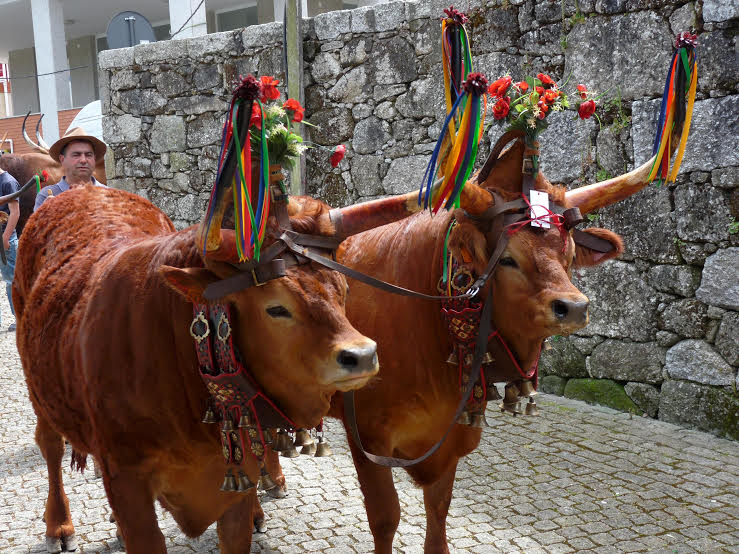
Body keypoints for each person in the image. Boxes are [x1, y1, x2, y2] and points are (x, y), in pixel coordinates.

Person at [34, 127, 107, 211]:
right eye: (76, 155)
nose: (83, 160)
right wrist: (45, 214)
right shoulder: (45, 196)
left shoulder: (109, 194)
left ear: (94, 158)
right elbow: (37, 224)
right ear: (62, 159)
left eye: (88, 155)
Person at [0, 167, 20, 331]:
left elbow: (15, 212)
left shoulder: (8, 182)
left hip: (5, 240)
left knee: (11, 281)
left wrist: (5, 237)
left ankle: (20, 318)